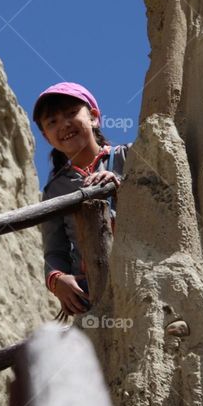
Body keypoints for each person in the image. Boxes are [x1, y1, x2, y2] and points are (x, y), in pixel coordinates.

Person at [33, 82, 130, 316]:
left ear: (94, 117)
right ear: (47, 137)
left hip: (135, 269)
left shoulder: (128, 156)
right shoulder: (55, 190)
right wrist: (58, 279)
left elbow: (160, 195)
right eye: (52, 122)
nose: (63, 125)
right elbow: (55, 249)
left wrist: (123, 183)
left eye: (71, 113)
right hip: (91, 289)